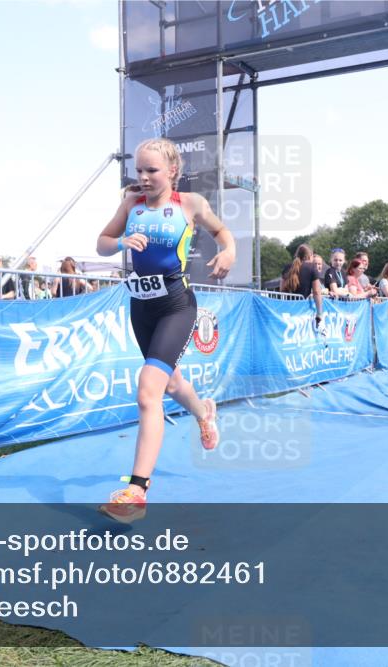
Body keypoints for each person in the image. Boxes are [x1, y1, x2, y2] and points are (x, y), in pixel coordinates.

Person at [95, 137, 235, 522]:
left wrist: (228, 252)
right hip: (141, 307)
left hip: (176, 305)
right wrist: (121, 240)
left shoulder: (190, 205)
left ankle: (136, 491)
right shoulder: (131, 204)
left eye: (151, 170)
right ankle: (204, 413)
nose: (143, 177)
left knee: (148, 390)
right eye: (138, 170)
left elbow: (224, 234)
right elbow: (102, 243)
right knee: (170, 383)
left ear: (173, 171)